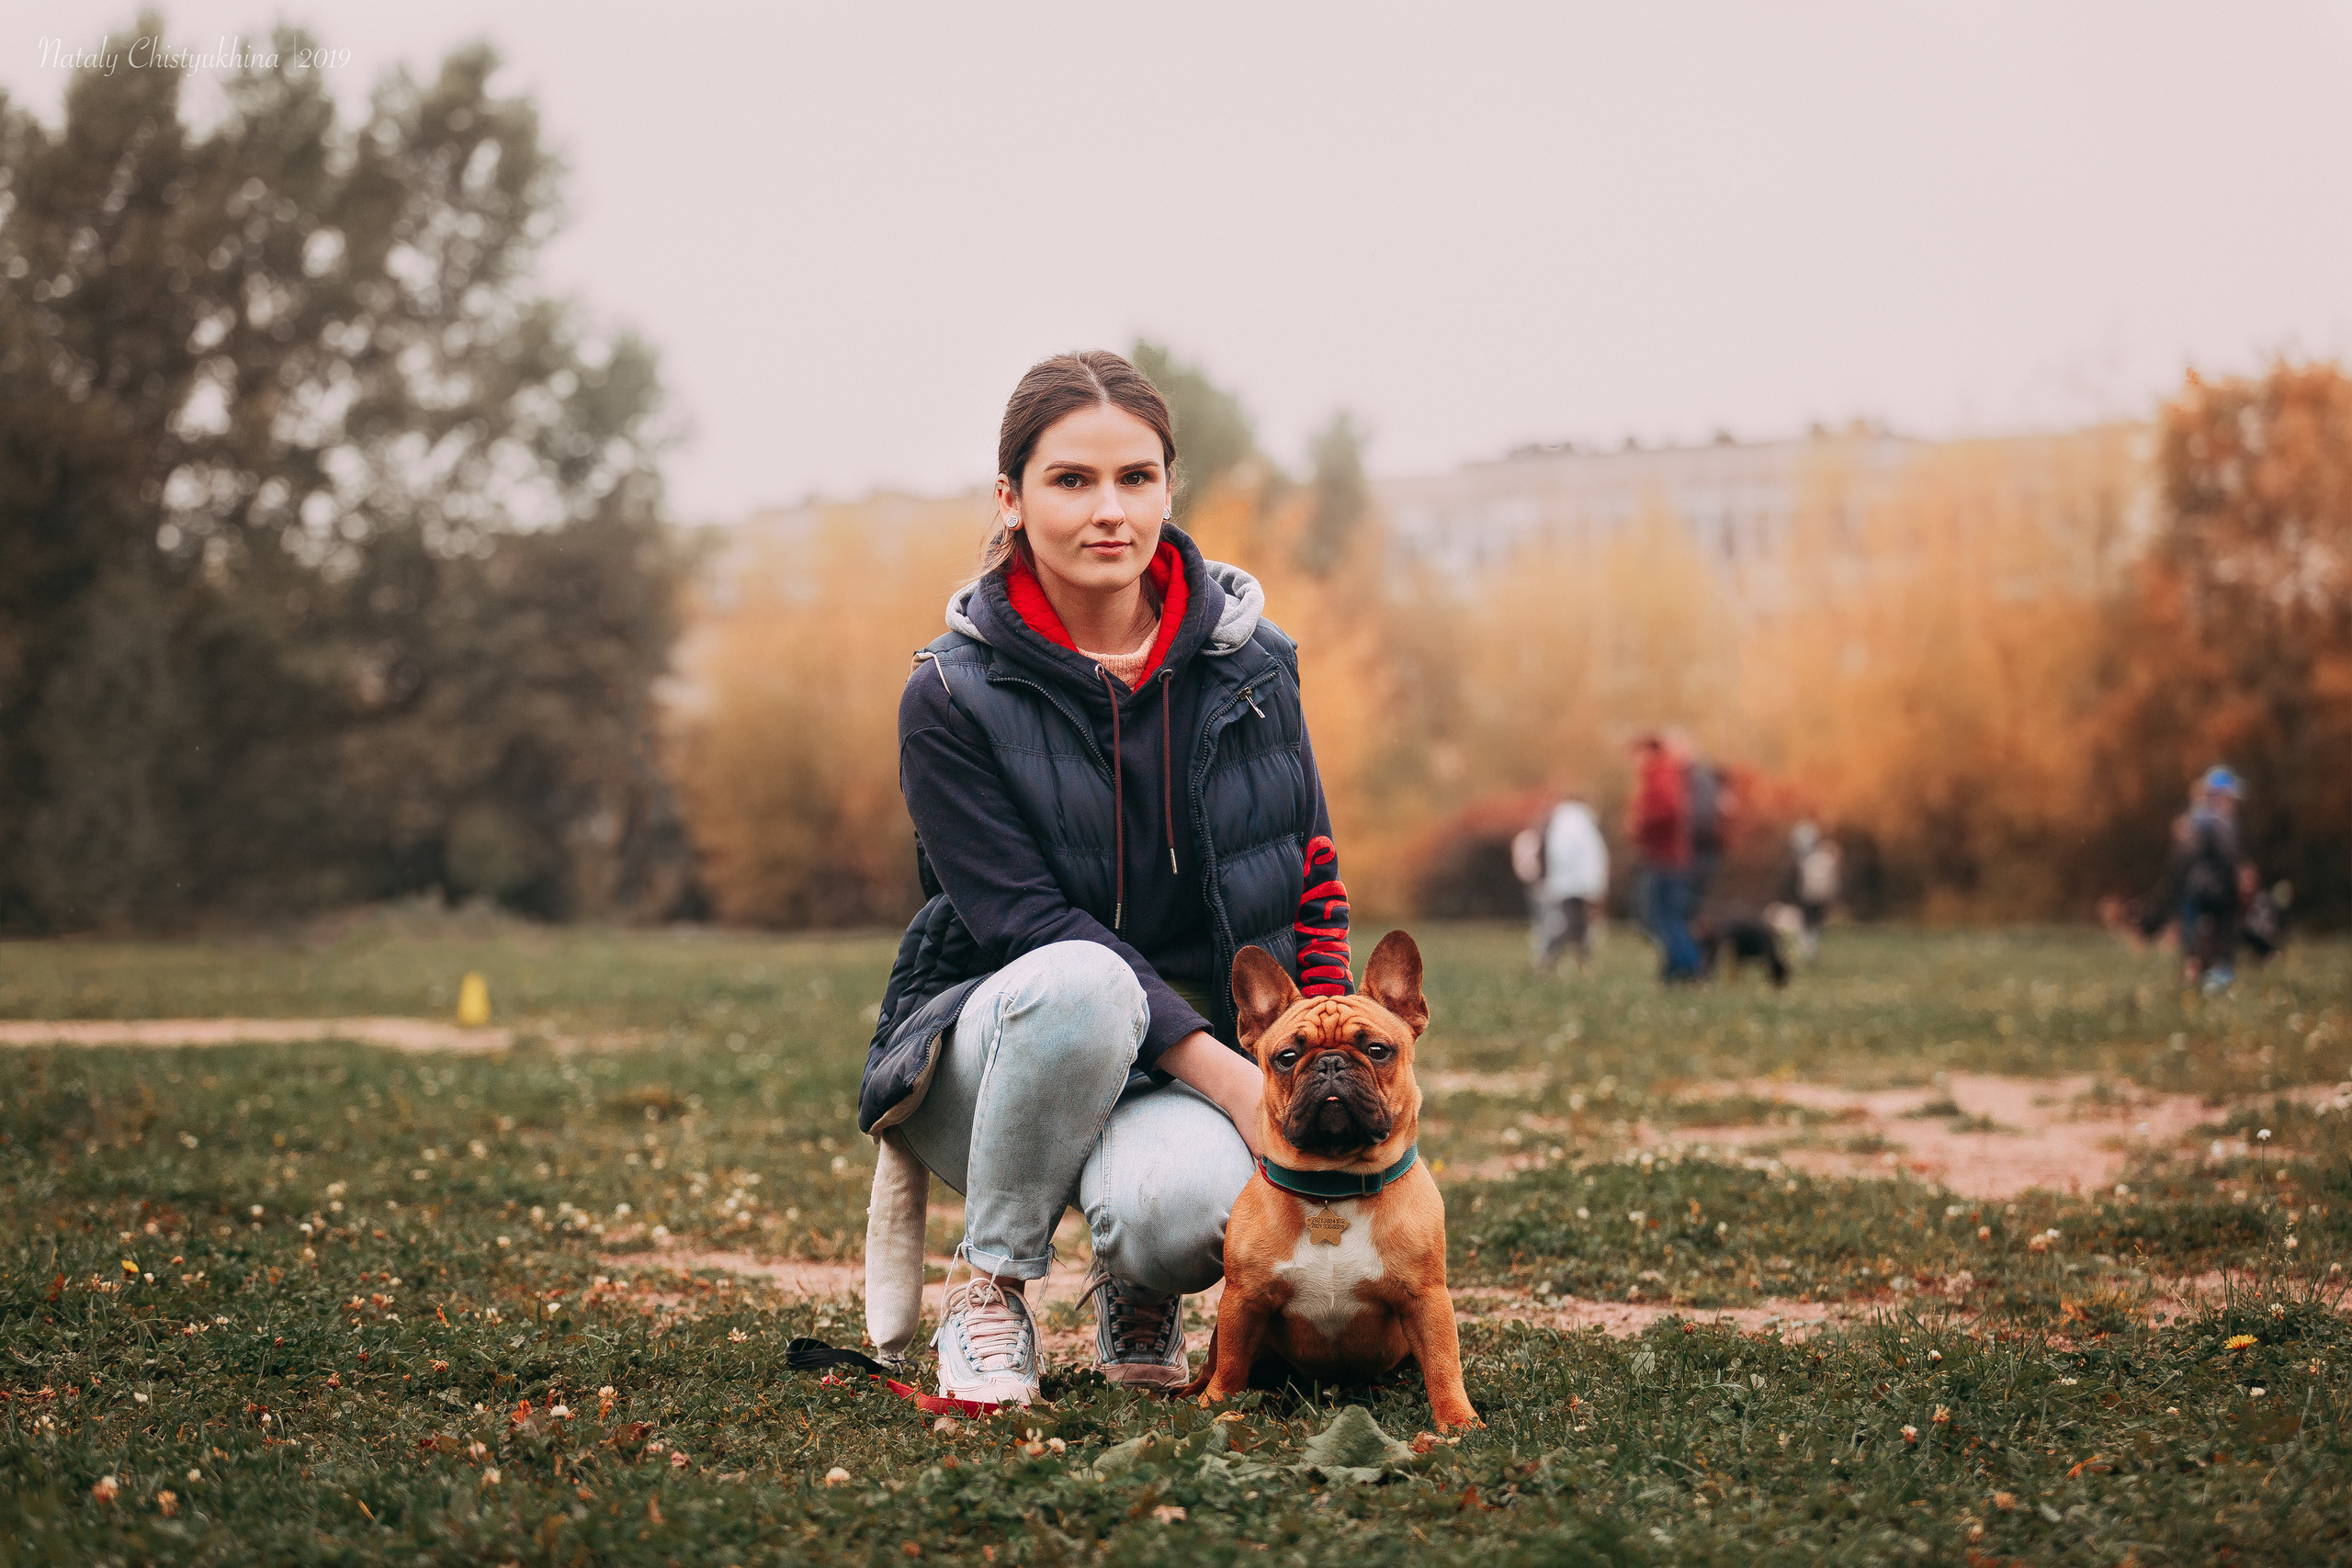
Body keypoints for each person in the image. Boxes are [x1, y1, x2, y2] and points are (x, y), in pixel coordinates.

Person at [859, 351, 1352, 1407]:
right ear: (1011, 498)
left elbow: (1310, 875)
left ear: (1170, 488)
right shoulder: (948, 696)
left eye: (1135, 478)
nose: (1109, 511)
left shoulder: (1257, 667)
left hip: (1181, 1064)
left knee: (1188, 1217)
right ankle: (990, 1287)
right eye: (1070, 480)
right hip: (999, 1053)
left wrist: (1319, 1055)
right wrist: (1231, 1080)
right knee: (1085, 980)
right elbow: (1027, 925)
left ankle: (1138, 1279)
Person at [1626, 735, 1702, 981]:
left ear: (1648, 751)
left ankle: (1691, 966)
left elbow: (1668, 811)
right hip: (1668, 857)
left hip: (1665, 858)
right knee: (1665, 916)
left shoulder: (1659, 772)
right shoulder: (1667, 772)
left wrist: (1640, 823)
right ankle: (1674, 970)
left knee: (1663, 917)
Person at [1516, 795, 1608, 971]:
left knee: (1566, 926)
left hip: (1568, 887)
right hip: (1577, 887)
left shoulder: (1565, 823)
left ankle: (1552, 961)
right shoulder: (1579, 823)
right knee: (1571, 926)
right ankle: (1561, 962)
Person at [2179, 766, 2244, 992]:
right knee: (2217, 933)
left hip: (2197, 886)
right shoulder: (2218, 820)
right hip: (2216, 887)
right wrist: (2237, 878)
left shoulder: (2197, 817)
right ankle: (2215, 977)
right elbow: (2227, 856)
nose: (2233, 802)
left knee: (2200, 934)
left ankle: (2202, 974)